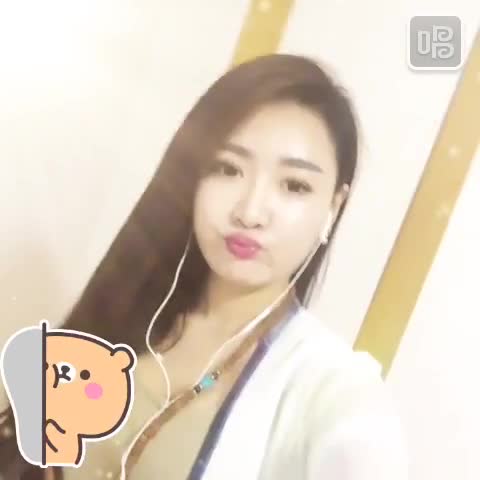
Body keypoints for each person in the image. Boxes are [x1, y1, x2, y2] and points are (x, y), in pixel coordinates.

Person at [0, 53, 408, 479]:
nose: (250, 212)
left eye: (294, 185)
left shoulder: (332, 388)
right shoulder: (129, 308)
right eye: (227, 169)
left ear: (333, 208)